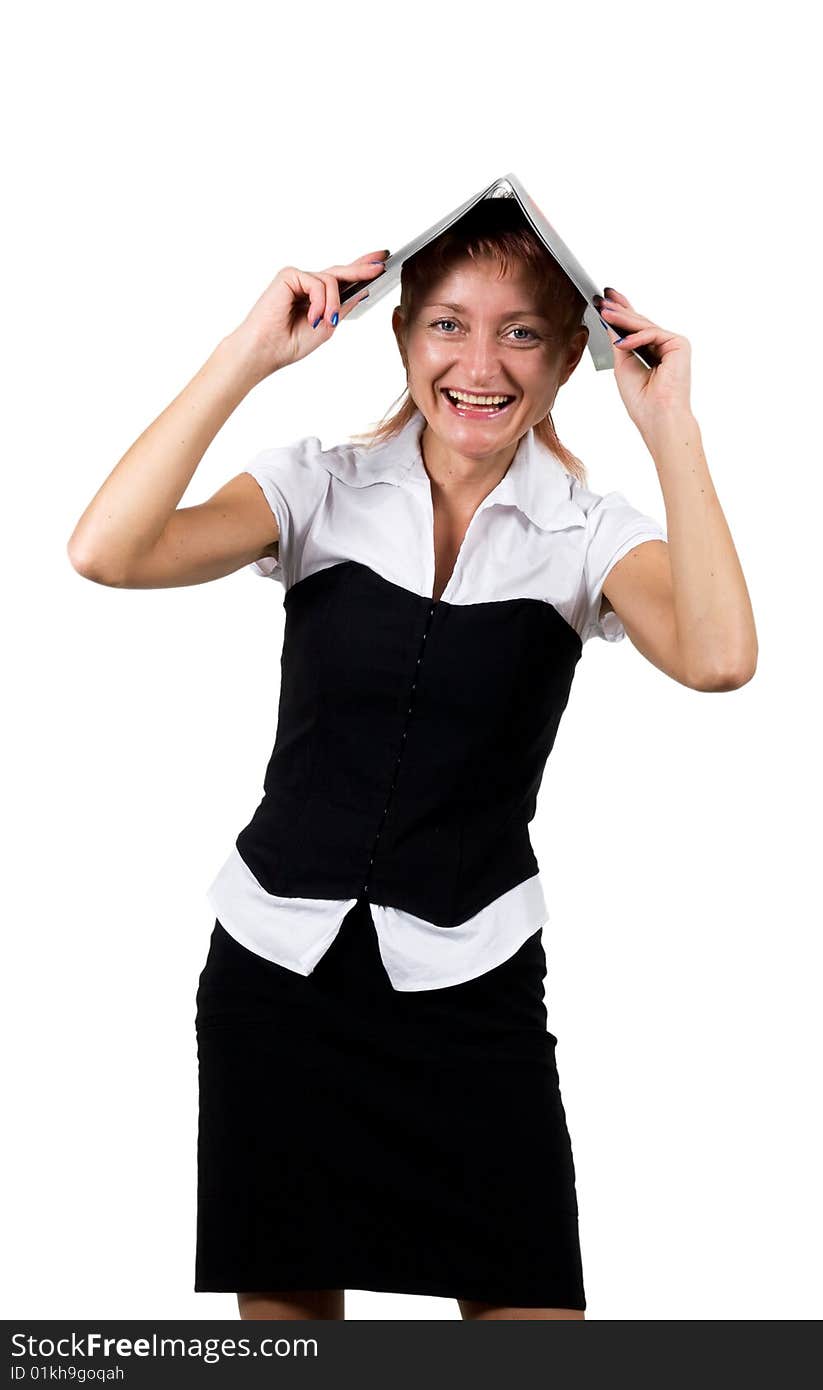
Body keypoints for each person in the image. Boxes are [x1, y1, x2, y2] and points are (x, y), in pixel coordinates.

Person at [67, 198, 757, 1321]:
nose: (478, 364)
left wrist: (670, 427)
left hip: (473, 989)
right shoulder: (315, 486)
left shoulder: (588, 533)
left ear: (570, 351)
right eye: (446, 324)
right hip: (275, 975)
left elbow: (721, 658)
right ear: (400, 336)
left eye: (521, 331)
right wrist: (247, 355)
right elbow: (108, 549)